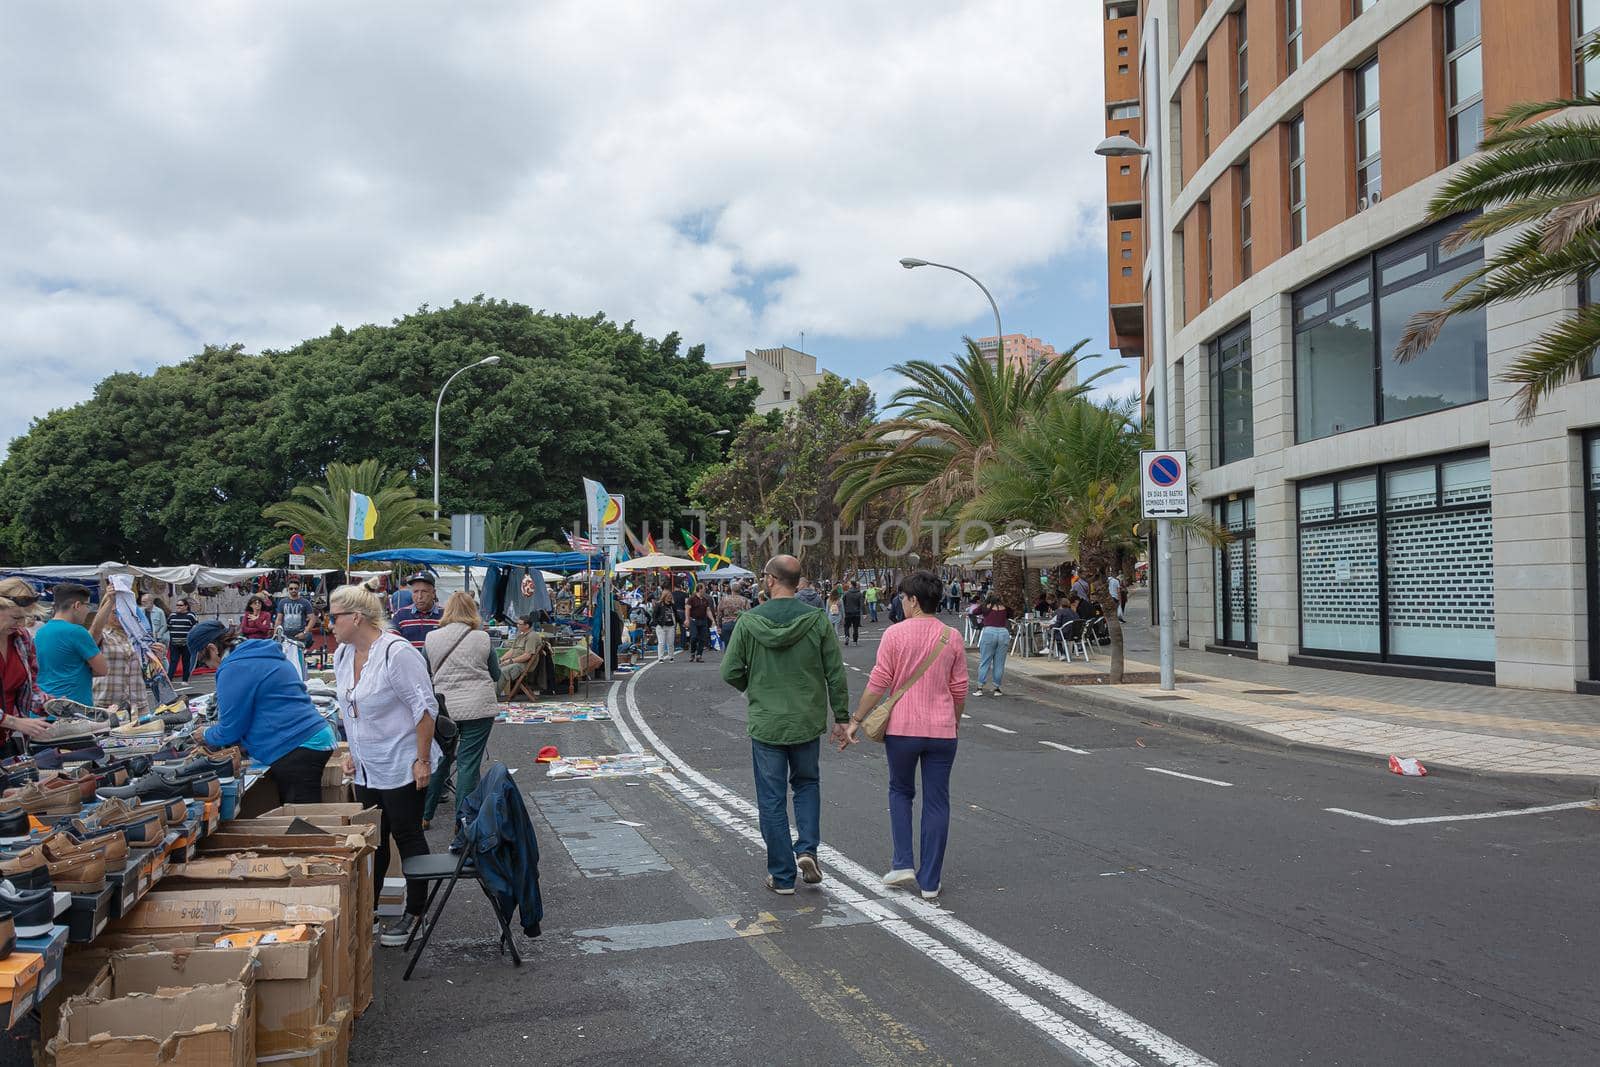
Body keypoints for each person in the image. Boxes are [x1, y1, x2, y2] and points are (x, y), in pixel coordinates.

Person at [719, 554, 848, 896]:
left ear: (772, 580)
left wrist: (755, 685)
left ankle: (782, 875)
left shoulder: (749, 621)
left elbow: (730, 671)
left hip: (767, 723)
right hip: (806, 720)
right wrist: (842, 718)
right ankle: (807, 848)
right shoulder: (817, 621)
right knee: (806, 785)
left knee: (771, 799)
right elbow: (835, 673)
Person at [841, 571, 966, 900]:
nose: (901, 602)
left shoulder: (894, 635)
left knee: (900, 791)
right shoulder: (951, 636)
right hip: (942, 731)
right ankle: (930, 881)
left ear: (912, 600)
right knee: (937, 801)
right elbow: (960, 689)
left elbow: (879, 682)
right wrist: (952, 723)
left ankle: (902, 862)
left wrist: (856, 719)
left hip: (902, 730)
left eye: (903, 597)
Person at [330, 584, 441, 948]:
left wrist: (422, 760)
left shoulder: (396, 652)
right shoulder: (343, 655)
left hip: (401, 761)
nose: (328, 623)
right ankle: (371, 909)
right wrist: (352, 751)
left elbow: (424, 709)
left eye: (334, 617)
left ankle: (417, 910)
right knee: (373, 840)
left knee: (407, 835)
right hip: (367, 766)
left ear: (356, 618)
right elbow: (350, 709)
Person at [190, 620, 337, 803]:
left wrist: (205, 734)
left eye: (205, 661)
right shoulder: (258, 653)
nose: (209, 667)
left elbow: (230, 729)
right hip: (310, 737)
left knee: (300, 821)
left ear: (212, 649)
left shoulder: (233, 667)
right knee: (298, 813)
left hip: (297, 744)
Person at [423, 592, 500, 828]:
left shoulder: (431, 638)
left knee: (441, 760)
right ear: (472, 611)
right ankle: (463, 820)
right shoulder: (482, 638)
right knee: (468, 762)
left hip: (445, 709)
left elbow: (426, 672)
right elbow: (496, 674)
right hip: (478, 706)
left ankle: (425, 815)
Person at [33, 584, 112, 706]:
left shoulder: (40, 632)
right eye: (88, 605)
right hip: (73, 709)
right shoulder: (77, 632)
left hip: (44, 706)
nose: (88, 610)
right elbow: (102, 669)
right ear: (77, 606)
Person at [0, 595, 51, 746]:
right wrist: (13, 722)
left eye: (26, 618)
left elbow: (29, 685)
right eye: (16, 617)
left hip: (6, 739)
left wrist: (48, 704)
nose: (21, 623)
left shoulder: (22, 638)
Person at [93, 615, 151, 715]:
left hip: (138, 704)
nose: (118, 615)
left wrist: (156, 656)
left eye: (121, 610)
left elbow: (147, 669)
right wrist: (109, 601)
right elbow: (94, 632)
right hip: (106, 703)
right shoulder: (102, 635)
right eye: (114, 612)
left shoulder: (139, 636)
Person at [498, 613, 556, 697]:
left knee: (503, 671)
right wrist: (502, 659)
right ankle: (490, 692)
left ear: (527, 625)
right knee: (496, 667)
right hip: (516, 661)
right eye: (517, 623)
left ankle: (494, 694)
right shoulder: (520, 635)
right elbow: (512, 650)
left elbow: (527, 655)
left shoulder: (532, 636)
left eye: (520, 624)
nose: (517, 626)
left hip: (524, 664)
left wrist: (510, 661)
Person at [973, 595, 1012, 698]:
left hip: (989, 632)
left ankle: (980, 687)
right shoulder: (1004, 608)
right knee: (999, 663)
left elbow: (975, 611)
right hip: (1003, 633)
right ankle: (997, 688)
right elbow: (1011, 615)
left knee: (985, 661)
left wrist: (985, 604)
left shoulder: (986, 607)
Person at [389, 573, 441, 649]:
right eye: (415, 592)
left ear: (433, 593)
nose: (419, 596)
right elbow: (390, 643)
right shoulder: (400, 615)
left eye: (424, 591)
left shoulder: (445, 615)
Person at [166, 598, 198, 682]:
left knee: (186, 661)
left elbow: (195, 628)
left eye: (180, 605)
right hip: (174, 643)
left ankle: (185, 679)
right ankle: (169, 679)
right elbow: (168, 626)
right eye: (177, 605)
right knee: (173, 661)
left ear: (186, 606)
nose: (178, 607)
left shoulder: (191, 616)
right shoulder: (172, 615)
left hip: (186, 643)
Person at [715, 583, 749, 650]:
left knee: (728, 647)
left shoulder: (724, 599)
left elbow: (719, 614)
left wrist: (719, 626)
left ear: (731, 589)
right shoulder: (744, 600)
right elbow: (748, 613)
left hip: (727, 625)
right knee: (740, 646)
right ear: (740, 590)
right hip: (740, 624)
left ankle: (728, 659)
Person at [685, 587, 712, 662]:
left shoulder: (705, 600)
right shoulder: (692, 599)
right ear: (699, 589)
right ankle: (692, 652)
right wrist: (687, 619)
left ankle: (699, 655)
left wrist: (713, 620)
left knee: (703, 638)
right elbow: (687, 609)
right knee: (694, 637)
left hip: (703, 620)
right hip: (694, 620)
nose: (705, 590)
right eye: (704, 589)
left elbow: (708, 610)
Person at [652, 591, 678, 661]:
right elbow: (654, 615)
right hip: (661, 626)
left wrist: (681, 622)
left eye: (670, 596)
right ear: (664, 597)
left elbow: (676, 615)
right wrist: (657, 623)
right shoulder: (659, 605)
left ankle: (671, 656)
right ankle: (660, 658)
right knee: (661, 642)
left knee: (671, 642)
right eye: (668, 596)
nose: (670, 597)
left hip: (671, 625)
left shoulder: (672, 605)